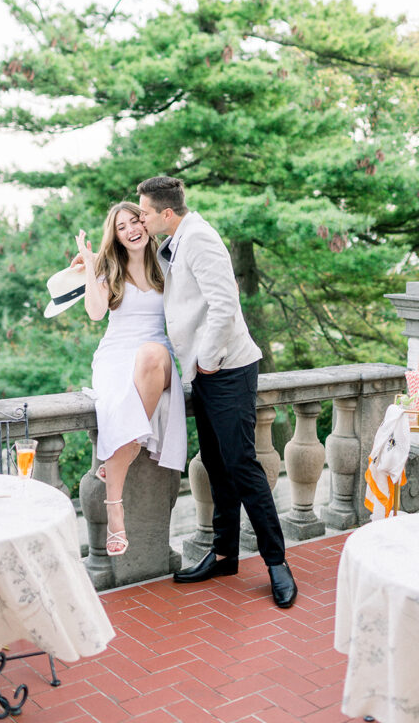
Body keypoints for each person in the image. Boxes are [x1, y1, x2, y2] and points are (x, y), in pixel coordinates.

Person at [137, 176, 298, 609]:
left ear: (166, 213)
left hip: (227, 368)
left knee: (242, 465)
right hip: (201, 373)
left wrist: (207, 360)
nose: (142, 218)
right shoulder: (173, 240)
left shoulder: (202, 238)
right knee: (215, 463)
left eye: (146, 212)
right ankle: (225, 554)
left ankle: (277, 563)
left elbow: (225, 303)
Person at [72, 201, 186, 557]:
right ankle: (115, 506)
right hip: (114, 355)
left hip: (157, 354)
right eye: (122, 227)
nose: (131, 230)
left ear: (146, 223)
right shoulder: (110, 269)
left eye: (135, 221)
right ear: (116, 236)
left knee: (149, 354)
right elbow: (94, 313)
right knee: (119, 401)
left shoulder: (166, 263)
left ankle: (119, 457)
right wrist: (91, 266)